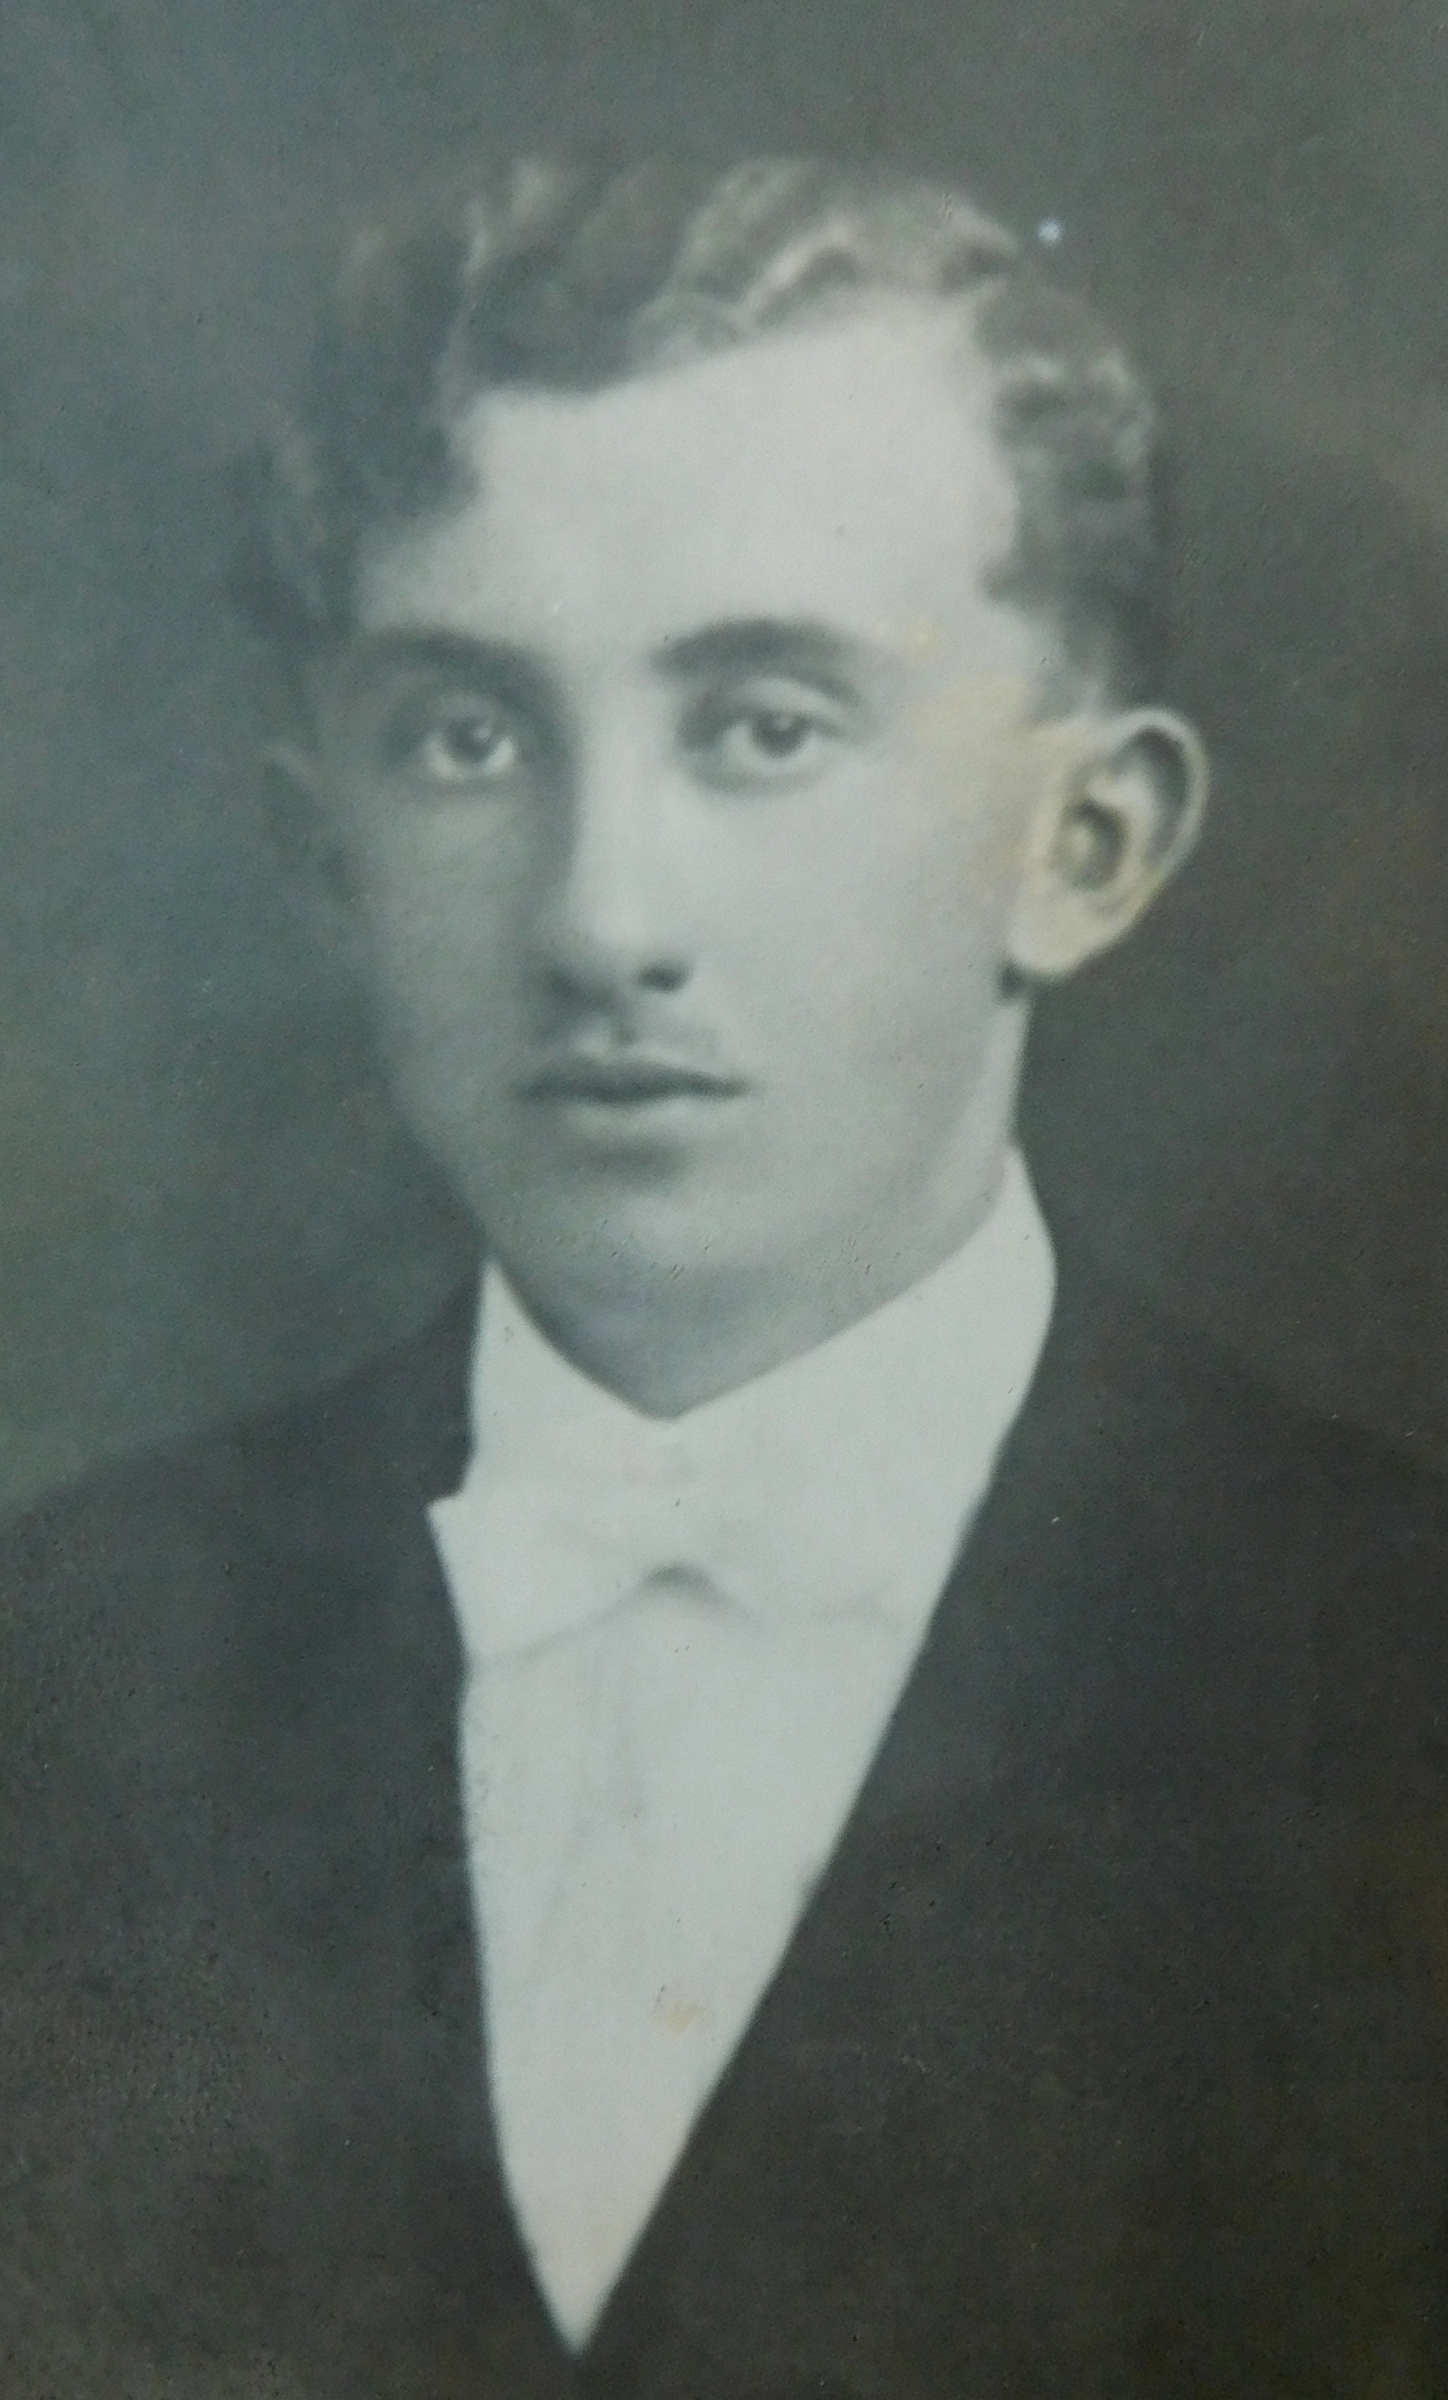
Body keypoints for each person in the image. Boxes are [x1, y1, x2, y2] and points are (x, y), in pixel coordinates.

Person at [1, 154, 1445, 2400]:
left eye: (765, 723)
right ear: (324, 858)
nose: (602, 919)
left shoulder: (1392, 1673)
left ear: (1083, 847)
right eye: (468, 738)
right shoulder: (57, 1671)